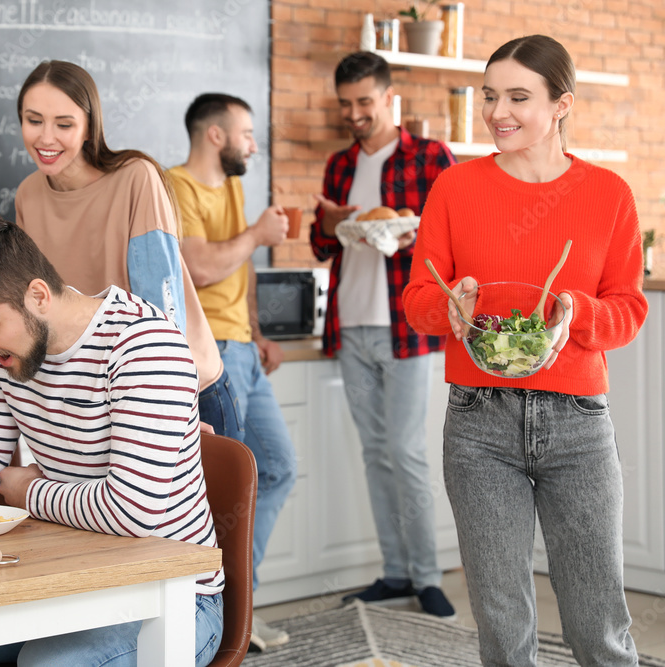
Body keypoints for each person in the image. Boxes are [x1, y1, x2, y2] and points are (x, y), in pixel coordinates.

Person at [0, 215, 224, 667]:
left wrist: (22, 491)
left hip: (171, 599)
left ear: (37, 295)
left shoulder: (143, 348)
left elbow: (132, 512)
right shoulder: (2, 357)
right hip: (68, 581)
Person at [403, 34, 646, 665]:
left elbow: (629, 309)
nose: (496, 112)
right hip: (479, 423)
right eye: (489, 96)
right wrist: (451, 311)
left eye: (517, 97)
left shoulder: (609, 194)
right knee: (503, 625)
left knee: (599, 623)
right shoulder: (455, 189)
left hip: (578, 425)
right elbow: (420, 296)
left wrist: (577, 315)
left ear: (561, 104)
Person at [13, 59, 241, 442]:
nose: (46, 138)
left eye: (64, 124)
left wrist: (174, 408)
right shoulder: (28, 195)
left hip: (182, 392)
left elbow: (163, 315)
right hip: (97, 404)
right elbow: (37, 308)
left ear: (89, 127)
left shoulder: (136, 178)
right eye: (34, 120)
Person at [309, 51, 457, 617]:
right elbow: (325, 248)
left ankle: (427, 574)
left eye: (364, 102)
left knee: (407, 451)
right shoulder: (339, 165)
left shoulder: (431, 157)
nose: (355, 114)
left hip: (407, 331)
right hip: (352, 328)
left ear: (389, 99)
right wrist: (330, 224)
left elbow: (449, 241)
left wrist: (405, 235)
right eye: (346, 104)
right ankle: (395, 572)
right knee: (375, 453)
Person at [169, 92, 297, 651]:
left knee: (276, 469)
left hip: (242, 347)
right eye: (246, 134)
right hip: (209, 354)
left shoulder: (234, 185)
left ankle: (239, 598)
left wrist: (258, 331)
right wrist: (257, 236)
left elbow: (236, 272)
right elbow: (196, 267)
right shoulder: (175, 186)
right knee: (227, 489)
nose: (253, 145)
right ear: (215, 135)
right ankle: (226, 615)